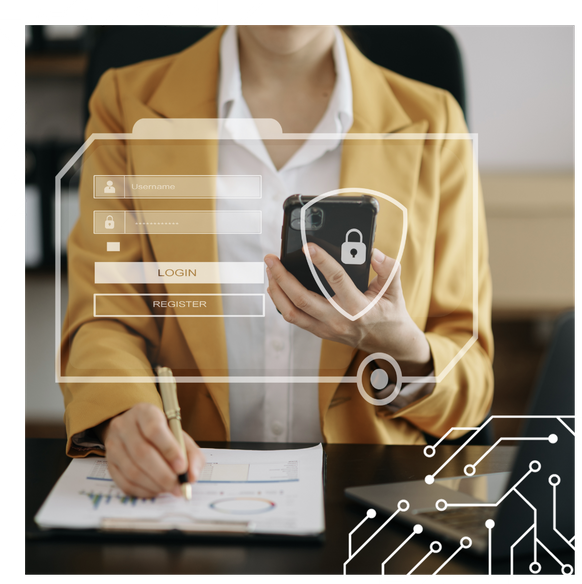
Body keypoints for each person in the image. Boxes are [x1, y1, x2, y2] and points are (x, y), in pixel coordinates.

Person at [60, 25, 494, 499]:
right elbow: (105, 319)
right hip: (190, 489)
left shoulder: (434, 122)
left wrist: (402, 349)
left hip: (370, 501)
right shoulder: (126, 102)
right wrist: (122, 411)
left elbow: (470, 375)